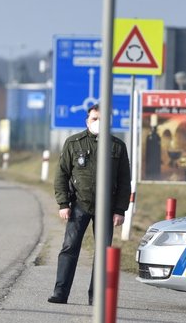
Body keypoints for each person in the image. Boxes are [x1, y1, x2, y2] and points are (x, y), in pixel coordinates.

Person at [49, 103, 131, 305]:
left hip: (107, 208)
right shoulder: (73, 143)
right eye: (95, 119)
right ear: (87, 121)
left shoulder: (117, 146)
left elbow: (124, 181)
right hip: (79, 205)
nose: (98, 123)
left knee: (103, 253)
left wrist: (120, 210)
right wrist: (63, 204)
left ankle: (96, 296)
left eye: (102, 119)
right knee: (69, 248)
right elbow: (61, 175)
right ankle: (60, 293)